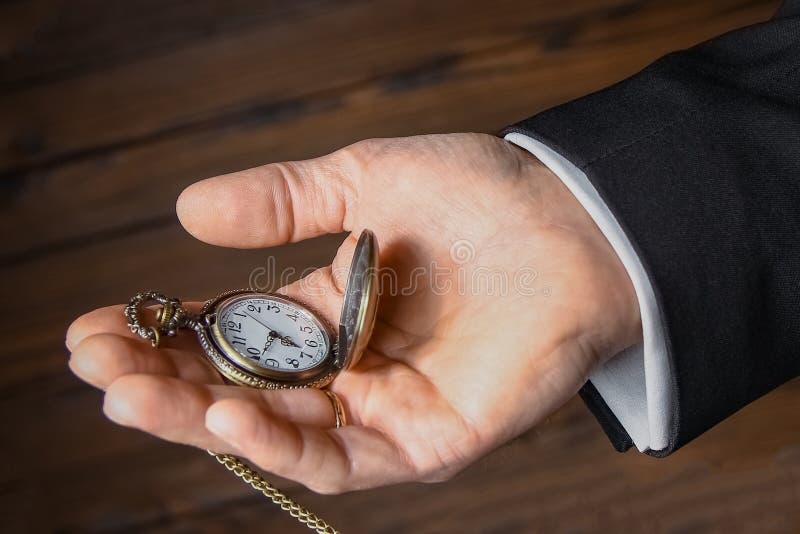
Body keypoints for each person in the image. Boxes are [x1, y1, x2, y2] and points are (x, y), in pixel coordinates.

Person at [66, 1, 799, 493]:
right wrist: (594, 232)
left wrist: (570, 221)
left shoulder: (262, 327)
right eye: (268, 335)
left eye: (263, 325)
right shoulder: (241, 329)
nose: (269, 325)